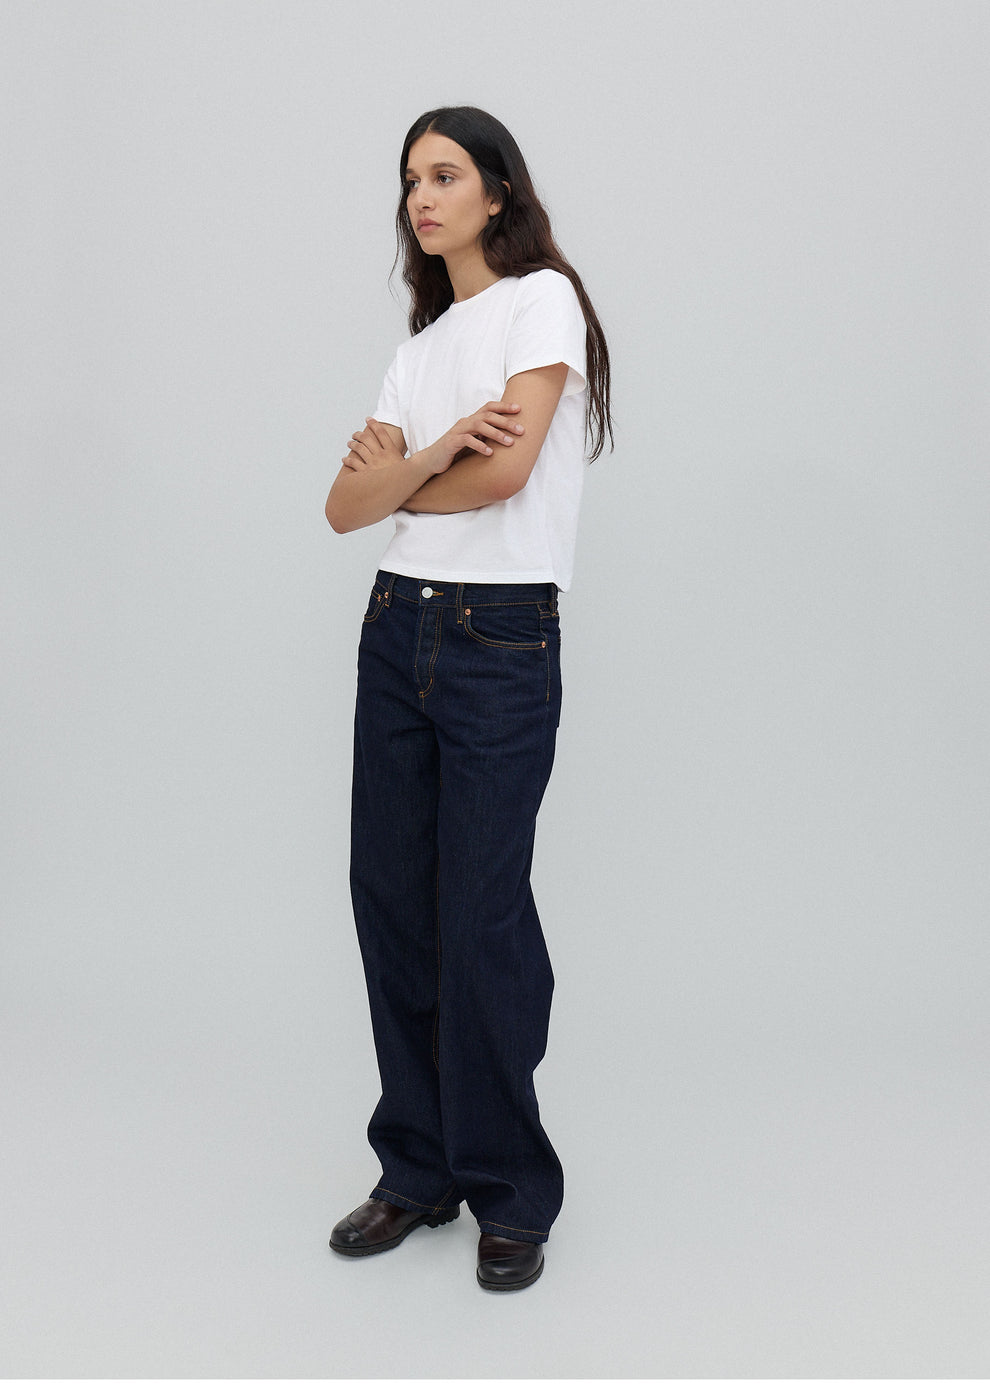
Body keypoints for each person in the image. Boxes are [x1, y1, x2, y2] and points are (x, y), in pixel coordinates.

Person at [324, 105, 612, 1292]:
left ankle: (507, 1188)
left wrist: (410, 469)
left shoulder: (542, 301)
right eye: (409, 180)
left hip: (498, 638)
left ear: (497, 192)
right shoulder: (420, 348)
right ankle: (418, 1169)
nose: (422, 197)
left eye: (445, 174)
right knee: (392, 898)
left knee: (481, 911)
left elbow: (511, 474)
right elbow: (344, 515)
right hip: (397, 629)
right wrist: (440, 450)